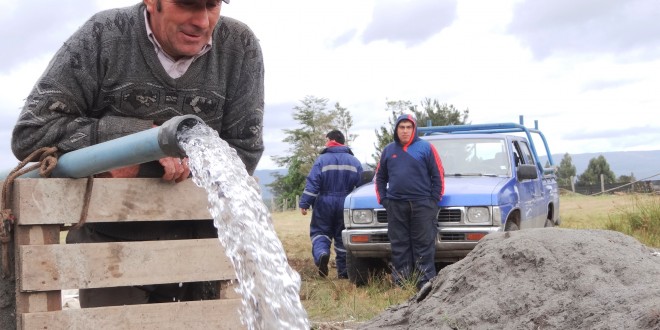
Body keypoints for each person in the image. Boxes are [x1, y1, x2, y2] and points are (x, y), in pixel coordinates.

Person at [11, 0, 264, 307]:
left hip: (204, 250)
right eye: (187, 5)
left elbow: (245, 151)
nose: (202, 21)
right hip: (111, 249)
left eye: (211, 5)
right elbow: (33, 132)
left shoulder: (239, 46)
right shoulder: (103, 35)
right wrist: (124, 146)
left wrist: (176, 156)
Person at [375, 114, 444, 290]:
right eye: (401, 127)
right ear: (396, 129)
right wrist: (384, 200)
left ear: (414, 129)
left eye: (408, 127)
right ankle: (402, 283)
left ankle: (425, 283)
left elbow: (438, 175)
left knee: (424, 244)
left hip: (422, 205)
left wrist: (433, 201)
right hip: (396, 205)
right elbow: (380, 178)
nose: (405, 131)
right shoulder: (389, 150)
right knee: (399, 245)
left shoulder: (426, 148)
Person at [299, 130, 363, 278]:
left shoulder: (321, 160)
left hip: (324, 202)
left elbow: (313, 183)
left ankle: (322, 254)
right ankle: (344, 272)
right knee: (342, 238)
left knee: (320, 232)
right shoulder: (355, 162)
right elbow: (361, 186)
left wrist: (305, 203)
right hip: (346, 203)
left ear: (332, 140)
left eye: (326, 139)